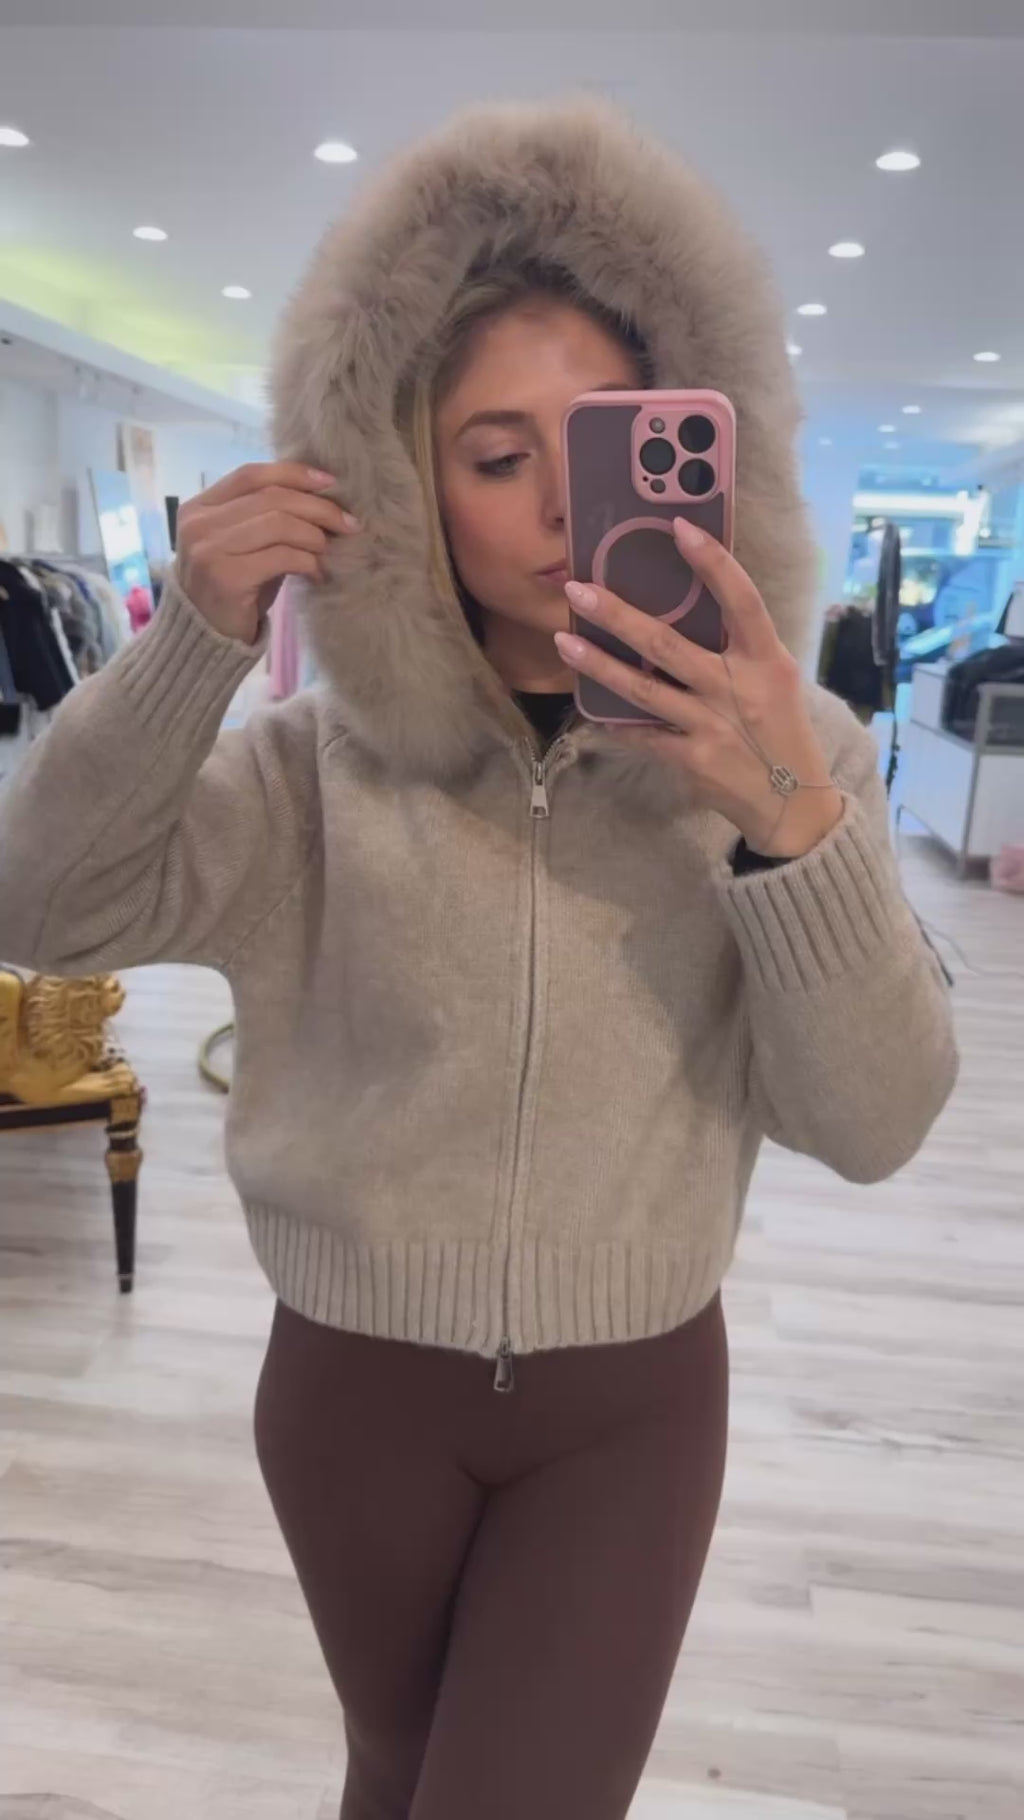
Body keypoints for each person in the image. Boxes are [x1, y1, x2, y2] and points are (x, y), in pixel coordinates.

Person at [0, 100, 957, 1820]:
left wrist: (784, 824)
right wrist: (186, 650)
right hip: (351, 1390)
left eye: (609, 447)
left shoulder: (792, 753)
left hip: (630, 1402)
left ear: (699, 456)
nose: (563, 507)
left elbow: (875, 1123)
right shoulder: (307, 769)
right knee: (395, 1771)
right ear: (403, 482)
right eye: (498, 456)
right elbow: (42, 912)